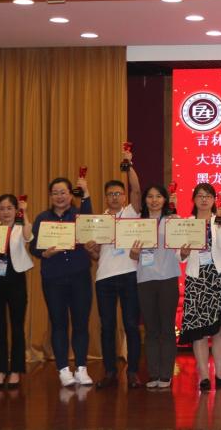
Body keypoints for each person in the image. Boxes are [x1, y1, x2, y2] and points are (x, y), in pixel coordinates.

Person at [30, 175, 95, 387]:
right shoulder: (42, 218)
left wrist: (86, 194)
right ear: (50, 196)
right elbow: (33, 247)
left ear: (70, 195)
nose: (59, 196)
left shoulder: (78, 215)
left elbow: (90, 225)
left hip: (79, 276)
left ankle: (81, 368)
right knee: (58, 324)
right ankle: (63, 370)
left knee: (80, 323)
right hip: (53, 279)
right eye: (55, 193)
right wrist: (44, 253)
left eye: (63, 192)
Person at [85, 153, 143, 389]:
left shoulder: (130, 212)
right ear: (106, 197)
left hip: (129, 274)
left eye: (118, 193)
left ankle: (133, 372)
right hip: (105, 278)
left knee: (131, 325)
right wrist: (91, 250)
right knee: (107, 326)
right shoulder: (99, 220)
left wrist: (129, 165)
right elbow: (97, 255)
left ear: (124, 196)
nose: (115, 197)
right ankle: (110, 372)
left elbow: (137, 189)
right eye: (110, 194)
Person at [178, 183, 221, 391]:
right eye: (200, 196)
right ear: (194, 199)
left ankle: (220, 373)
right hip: (196, 278)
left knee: (220, 329)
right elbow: (179, 255)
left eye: (208, 196)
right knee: (198, 329)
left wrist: (219, 222)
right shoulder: (187, 223)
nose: (204, 199)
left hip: (218, 276)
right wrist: (183, 253)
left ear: (214, 200)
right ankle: (203, 376)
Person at [132, 184, 181, 389]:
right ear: (145, 200)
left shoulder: (174, 220)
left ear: (165, 199)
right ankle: (153, 373)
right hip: (145, 279)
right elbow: (132, 255)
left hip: (168, 277)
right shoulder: (138, 222)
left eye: (158, 196)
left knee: (167, 328)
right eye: (150, 196)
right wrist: (134, 252)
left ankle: (166, 374)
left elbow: (181, 251)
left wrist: (185, 252)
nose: (154, 200)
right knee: (151, 329)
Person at [0, 195, 33, 389]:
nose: (5, 212)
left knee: (17, 327)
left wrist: (25, 212)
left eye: (9, 208)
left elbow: (29, 237)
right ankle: (0, 371)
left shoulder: (21, 227)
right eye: (2, 208)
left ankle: (16, 370)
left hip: (16, 281)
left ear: (16, 210)